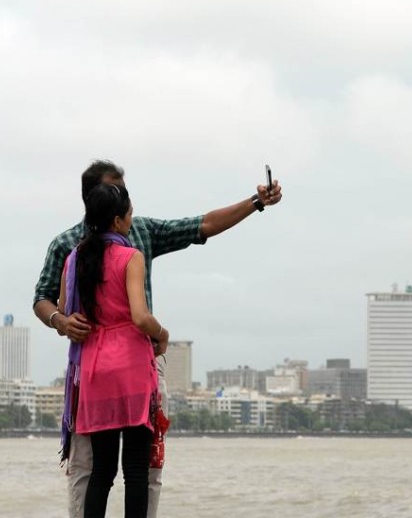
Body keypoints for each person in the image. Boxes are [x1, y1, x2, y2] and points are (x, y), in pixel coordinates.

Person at [33, 159, 282, 518]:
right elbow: (43, 300)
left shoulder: (128, 235)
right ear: (97, 198)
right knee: (103, 467)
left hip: (94, 368)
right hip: (131, 363)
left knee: (111, 469)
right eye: (117, 191)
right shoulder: (74, 245)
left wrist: (255, 202)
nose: (126, 197)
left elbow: (202, 225)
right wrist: (60, 320)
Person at [59, 183, 167, 518]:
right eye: (130, 215)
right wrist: (163, 333)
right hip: (131, 369)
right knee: (135, 469)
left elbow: (63, 307)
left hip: (94, 369)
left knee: (101, 472)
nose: (132, 222)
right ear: (118, 221)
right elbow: (139, 315)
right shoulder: (130, 257)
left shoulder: (74, 258)